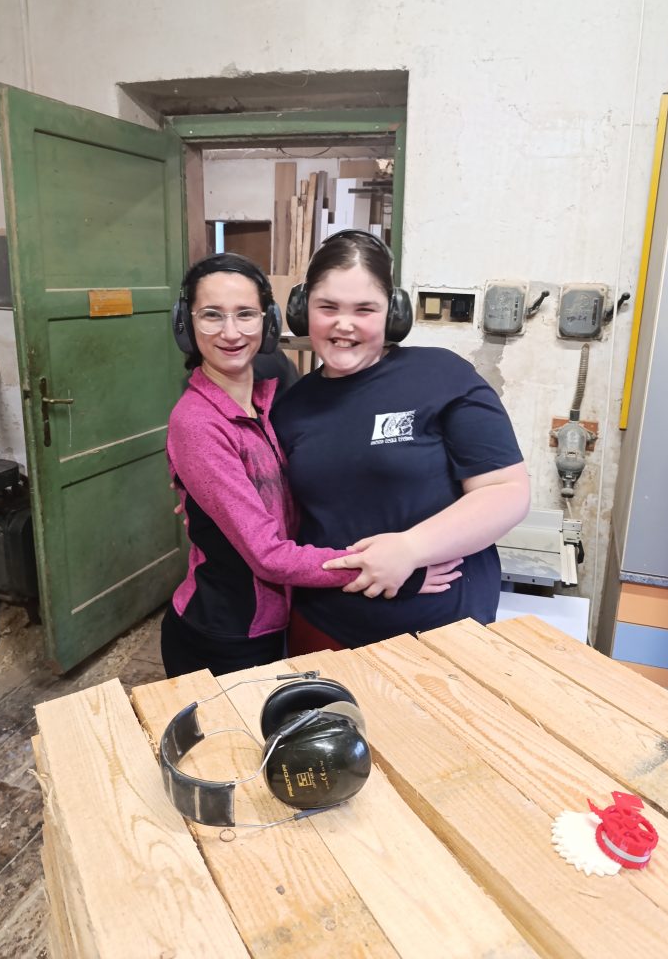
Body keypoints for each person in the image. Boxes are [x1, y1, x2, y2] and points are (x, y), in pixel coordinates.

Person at [162, 252, 460, 677]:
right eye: (211, 315)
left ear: (268, 322)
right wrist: (385, 567)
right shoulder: (198, 422)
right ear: (185, 324)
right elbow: (267, 556)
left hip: (275, 621)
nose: (230, 332)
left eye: (245, 314)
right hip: (224, 634)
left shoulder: (272, 399)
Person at [271, 230, 531, 654]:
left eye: (364, 309)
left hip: (440, 632)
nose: (343, 324)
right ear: (302, 310)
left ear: (392, 313)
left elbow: (507, 491)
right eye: (328, 307)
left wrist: (411, 549)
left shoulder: (442, 377)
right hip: (323, 626)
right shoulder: (291, 407)